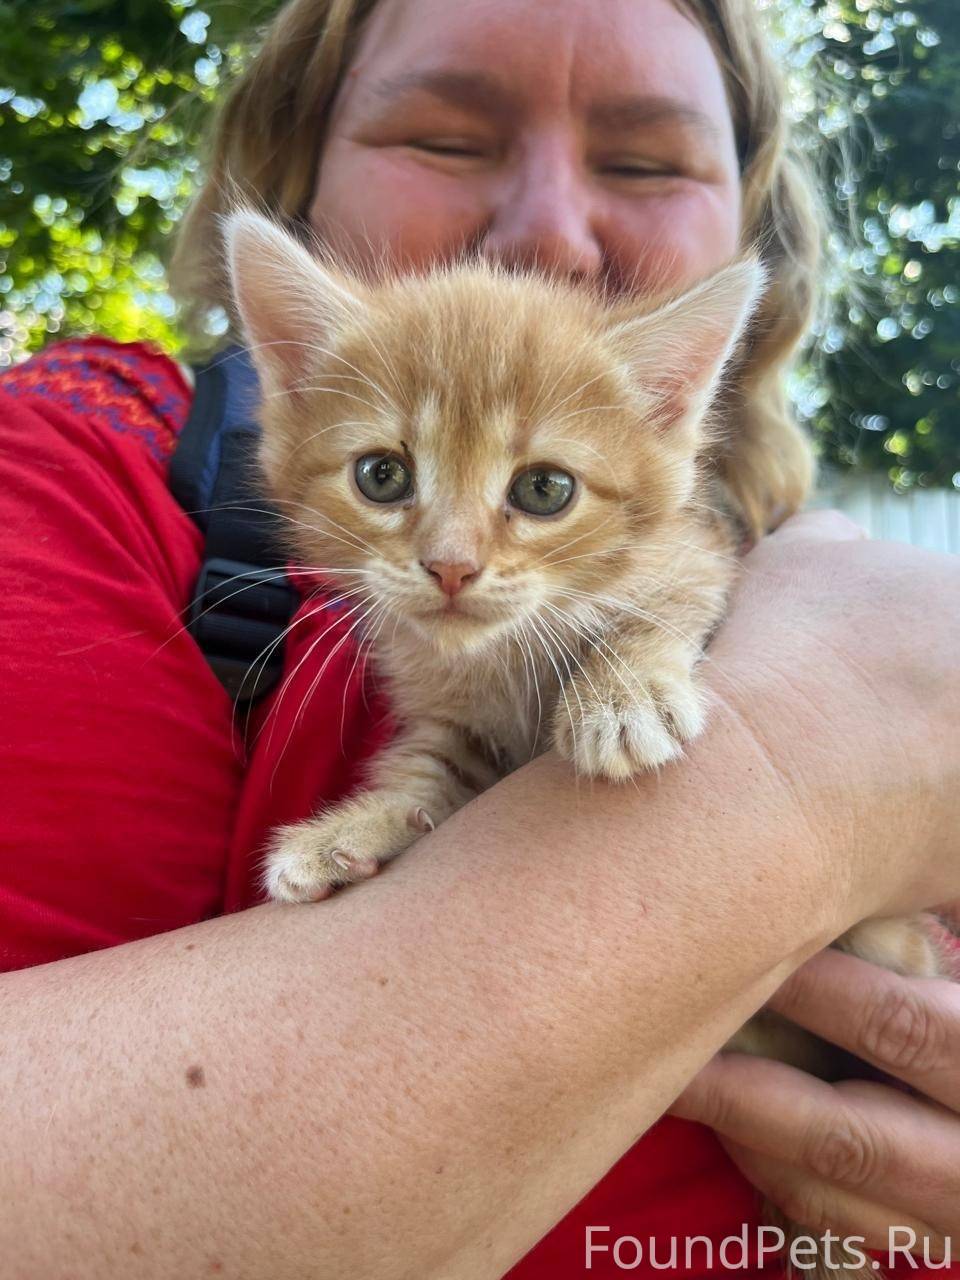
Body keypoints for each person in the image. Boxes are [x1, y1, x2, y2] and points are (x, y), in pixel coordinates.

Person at [0, 0, 957, 1276]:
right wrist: (792, 771)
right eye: (447, 136)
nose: (453, 560)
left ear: (679, 389)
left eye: (642, 160)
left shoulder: (815, 560)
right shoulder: (82, 473)